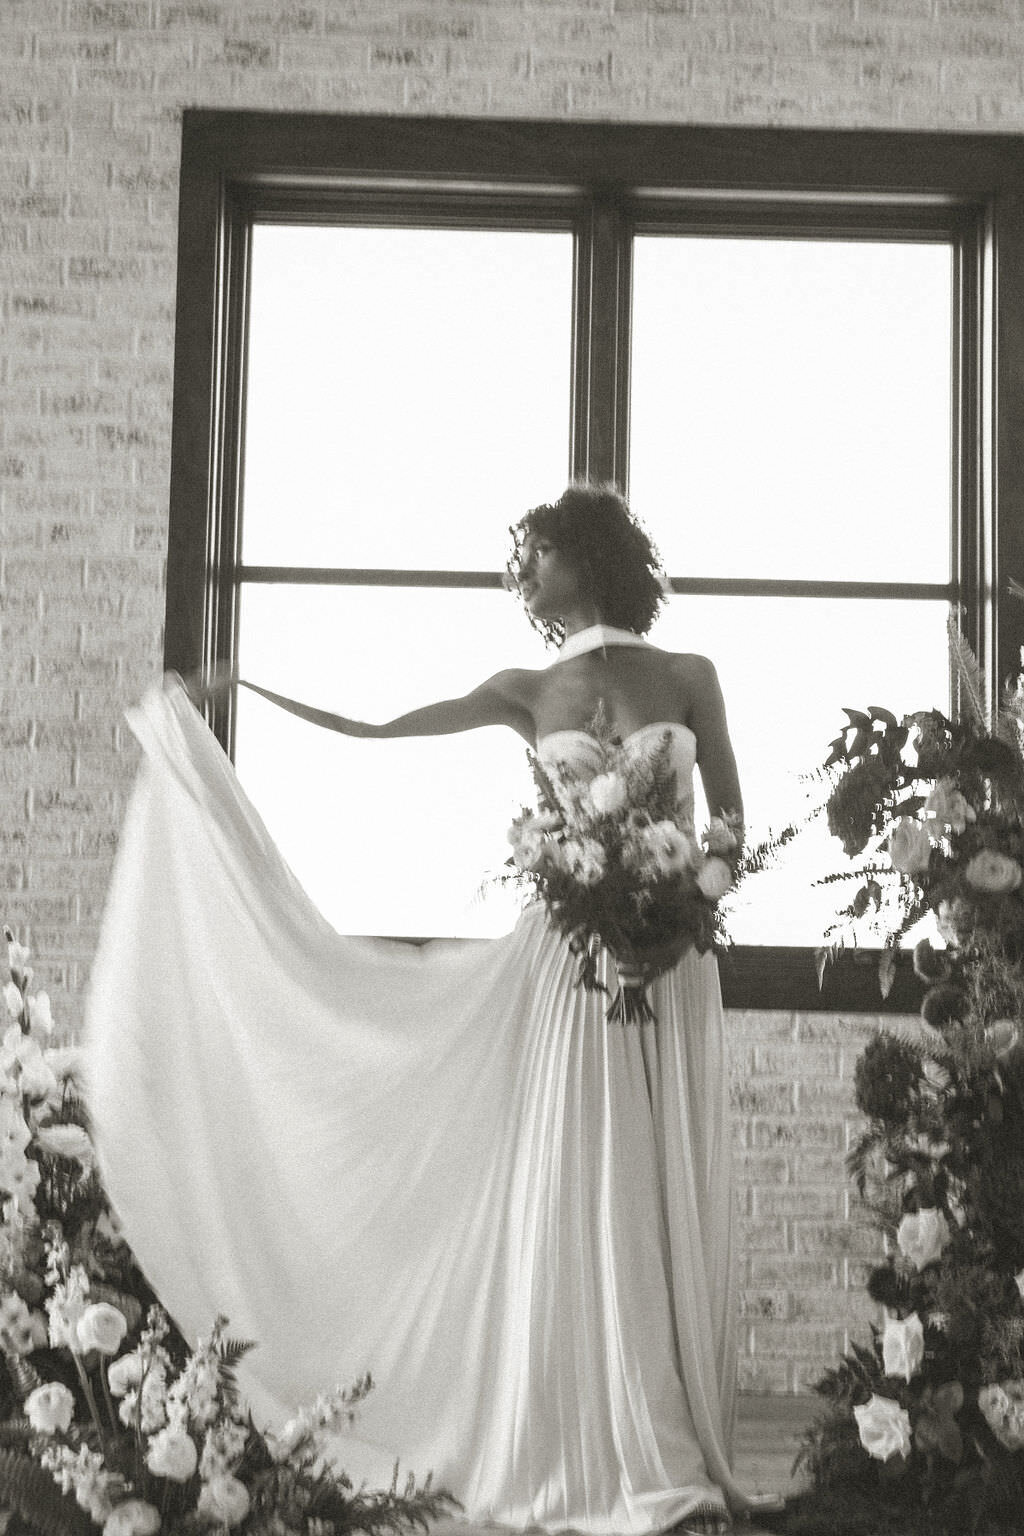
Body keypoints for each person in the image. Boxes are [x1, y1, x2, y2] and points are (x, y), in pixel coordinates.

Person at [86, 484, 753, 1536]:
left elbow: (730, 820)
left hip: (672, 960)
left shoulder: (688, 674)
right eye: (519, 561)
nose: (522, 575)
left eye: (537, 554)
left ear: (590, 554)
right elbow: (375, 728)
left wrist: (684, 911)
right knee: (576, 1175)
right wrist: (232, 688)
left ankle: (663, 1430)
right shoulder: (521, 685)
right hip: (568, 968)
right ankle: (576, 1430)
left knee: (655, 1174)